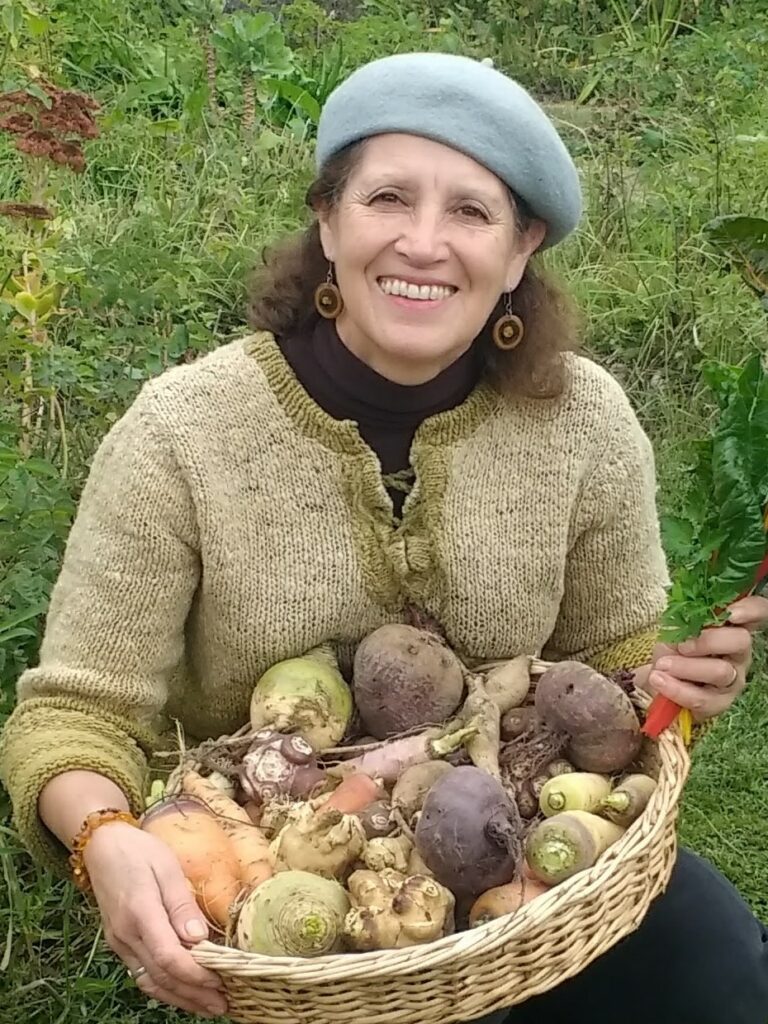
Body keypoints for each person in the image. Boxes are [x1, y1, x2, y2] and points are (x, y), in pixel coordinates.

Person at [1, 53, 767, 1024]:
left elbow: (615, 665)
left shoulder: (586, 422)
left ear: (522, 247)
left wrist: (676, 678)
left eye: (472, 212)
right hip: (285, 905)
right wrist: (102, 833)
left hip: (523, 871)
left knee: (716, 962)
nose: (423, 242)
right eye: (388, 197)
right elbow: (73, 714)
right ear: (328, 220)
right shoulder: (180, 435)